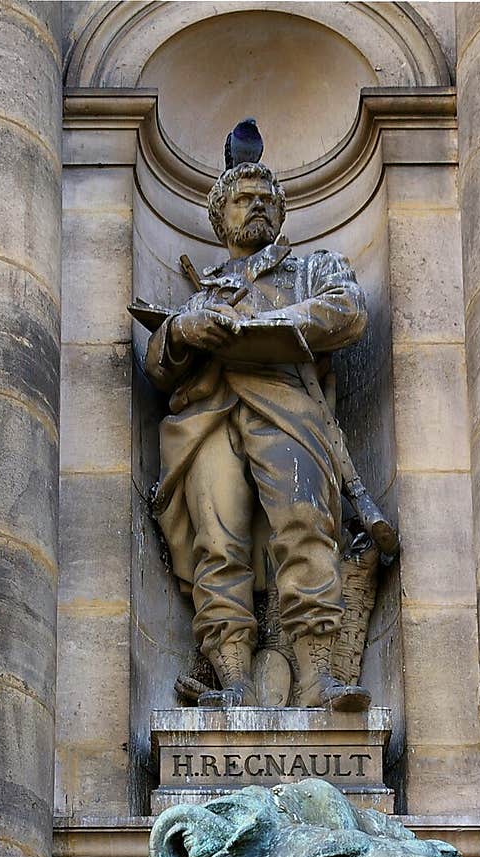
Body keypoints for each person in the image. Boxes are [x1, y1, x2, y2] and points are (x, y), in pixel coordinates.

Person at [144, 144, 372, 710]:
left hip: (288, 409)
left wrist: (268, 323)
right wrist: (181, 331)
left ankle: (318, 678)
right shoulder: (204, 294)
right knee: (218, 545)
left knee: (304, 529)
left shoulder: (309, 269)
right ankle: (234, 684)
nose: (258, 207)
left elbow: (348, 308)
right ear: (221, 216)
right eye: (244, 200)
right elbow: (158, 362)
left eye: (266, 199)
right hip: (209, 418)